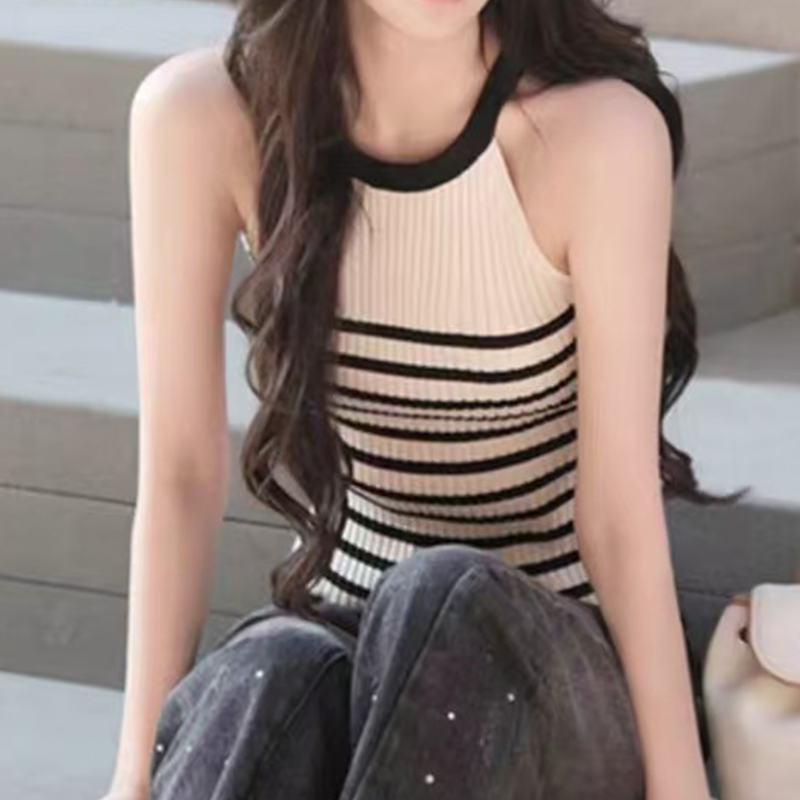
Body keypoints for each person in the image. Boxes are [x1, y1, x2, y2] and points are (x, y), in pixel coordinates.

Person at [101, 1, 740, 798]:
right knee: (271, 671)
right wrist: (131, 777)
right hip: (348, 634)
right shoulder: (200, 118)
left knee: (441, 594)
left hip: (553, 672)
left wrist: (680, 784)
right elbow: (182, 476)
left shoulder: (600, 135)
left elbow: (616, 513)